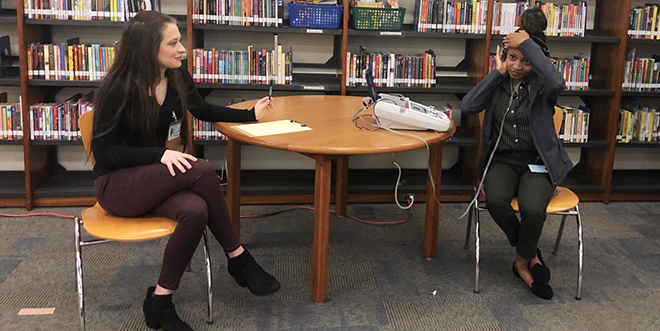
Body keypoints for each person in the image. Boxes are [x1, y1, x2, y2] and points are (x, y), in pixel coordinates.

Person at [91, 11, 279, 331]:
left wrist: (250, 114)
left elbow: (201, 109)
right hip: (117, 186)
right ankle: (238, 258)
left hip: (156, 182)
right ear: (150, 49)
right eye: (174, 42)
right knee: (201, 169)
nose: (183, 49)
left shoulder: (177, 74)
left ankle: (160, 300)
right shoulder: (117, 88)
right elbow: (106, 153)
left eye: (181, 41)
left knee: (195, 209)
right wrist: (160, 154)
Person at [459, 7, 573, 300]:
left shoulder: (542, 88)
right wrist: (497, 71)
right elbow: (468, 106)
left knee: (534, 209)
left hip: (537, 162)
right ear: (503, 56)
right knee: (496, 201)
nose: (517, 66)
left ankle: (522, 265)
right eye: (512, 58)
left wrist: (525, 45)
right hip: (503, 161)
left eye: (525, 61)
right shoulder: (498, 84)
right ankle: (531, 252)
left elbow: (558, 82)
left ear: (535, 61)